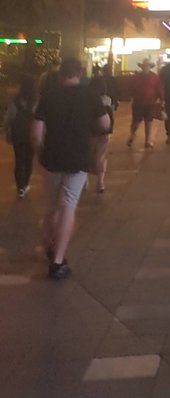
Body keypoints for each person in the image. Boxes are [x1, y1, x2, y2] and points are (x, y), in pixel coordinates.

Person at [31, 57, 109, 279]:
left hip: (51, 159)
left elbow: (36, 133)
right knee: (68, 206)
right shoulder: (90, 96)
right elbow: (105, 124)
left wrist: (40, 153)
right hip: (78, 158)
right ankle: (58, 261)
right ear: (80, 73)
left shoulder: (49, 96)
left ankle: (48, 244)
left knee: (51, 205)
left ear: (60, 75)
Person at [4, 75, 37, 197]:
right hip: (31, 134)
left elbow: (9, 117)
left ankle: (20, 187)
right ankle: (26, 183)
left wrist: (6, 128)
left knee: (19, 160)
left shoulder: (16, 101)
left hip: (18, 134)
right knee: (29, 160)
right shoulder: (35, 101)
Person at [88, 68, 116, 192]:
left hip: (90, 131)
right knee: (101, 155)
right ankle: (100, 182)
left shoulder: (87, 98)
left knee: (88, 154)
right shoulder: (107, 99)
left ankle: (85, 181)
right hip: (104, 130)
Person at [127, 59, 163, 149]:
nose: (146, 67)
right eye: (144, 66)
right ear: (142, 67)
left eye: (147, 66)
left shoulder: (154, 77)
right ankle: (132, 134)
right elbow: (130, 87)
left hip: (150, 102)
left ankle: (147, 140)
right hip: (138, 102)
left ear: (149, 67)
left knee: (148, 122)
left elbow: (159, 88)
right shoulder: (136, 76)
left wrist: (162, 99)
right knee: (135, 122)